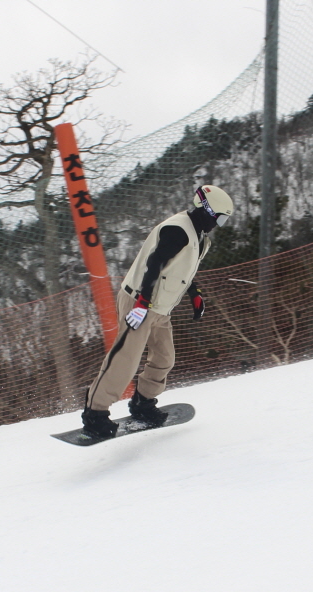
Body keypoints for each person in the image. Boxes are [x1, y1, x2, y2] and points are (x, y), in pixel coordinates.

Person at [80, 184, 234, 437]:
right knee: (125, 359)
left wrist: (194, 293)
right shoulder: (178, 230)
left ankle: (143, 404)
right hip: (140, 301)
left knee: (164, 358)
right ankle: (94, 414)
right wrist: (142, 302)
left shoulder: (198, 235)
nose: (219, 224)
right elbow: (154, 264)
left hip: (160, 307)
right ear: (206, 210)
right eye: (219, 218)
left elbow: (180, 268)